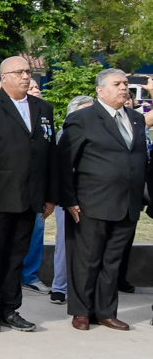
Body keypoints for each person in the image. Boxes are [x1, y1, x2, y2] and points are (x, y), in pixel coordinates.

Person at [0, 56, 56, 333]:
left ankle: (10, 308)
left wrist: (50, 195)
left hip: (30, 196)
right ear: (4, 77)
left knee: (17, 255)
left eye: (27, 72)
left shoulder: (43, 108)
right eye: (19, 72)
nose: (25, 76)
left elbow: (50, 154)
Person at [58, 69, 147, 331]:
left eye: (126, 83)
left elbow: (140, 157)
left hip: (128, 202)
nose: (124, 87)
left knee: (113, 261)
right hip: (91, 202)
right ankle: (81, 311)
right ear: (100, 90)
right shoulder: (83, 119)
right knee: (87, 259)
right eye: (117, 84)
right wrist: (68, 198)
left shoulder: (136, 119)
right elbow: (65, 162)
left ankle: (106, 311)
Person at [49, 95, 96, 306]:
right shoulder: (64, 134)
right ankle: (59, 287)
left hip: (93, 195)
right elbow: (61, 168)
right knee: (65, 241)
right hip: (68, 195)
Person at [20, 76, 49, 294]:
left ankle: (29, 275)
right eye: (30, 87)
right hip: (12, 188)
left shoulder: (44, 113)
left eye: (37, 86)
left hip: (38, 187)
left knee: (37, 232)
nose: (35, 90)